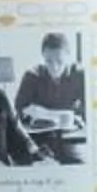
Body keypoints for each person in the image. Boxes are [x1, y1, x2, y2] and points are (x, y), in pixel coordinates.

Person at [15, 32, 87, 162]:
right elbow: (19, 108)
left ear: (68, 56)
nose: (54, 68)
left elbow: (90, 110)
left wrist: (78, 117)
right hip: (40, 138)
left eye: (60, 61)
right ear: (43, 56)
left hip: (69, 137)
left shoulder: (79, 74)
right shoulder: (32, 76)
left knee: (78, 163)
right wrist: (59, 115)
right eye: (48, 61)